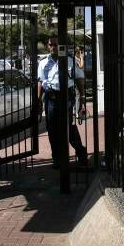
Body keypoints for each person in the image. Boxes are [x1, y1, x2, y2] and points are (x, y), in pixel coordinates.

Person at [37, 36, 87, 168]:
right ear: (48, 46)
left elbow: (79, 78)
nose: (53, 47)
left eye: (55, 44)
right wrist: (39, 100)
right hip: (51, 98)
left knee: (67, 127)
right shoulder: (43, 63)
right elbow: (41, 82)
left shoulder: (69, 60)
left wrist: (82, 97)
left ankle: (81, 152)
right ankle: (57, 158)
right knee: (52, 129)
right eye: (51, 44)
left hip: (66, 97)